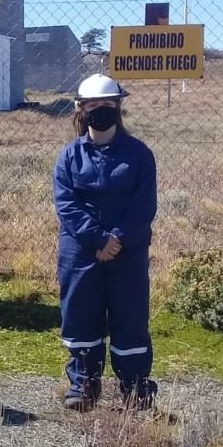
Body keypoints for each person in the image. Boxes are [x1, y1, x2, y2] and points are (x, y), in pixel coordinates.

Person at [53, 73, 159, 412]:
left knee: (130, 317)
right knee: (81, 314)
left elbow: (144, 206)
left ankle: (135, 386)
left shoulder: (140, 155)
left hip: (127, 252)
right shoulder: (69, 156)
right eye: (94, 106)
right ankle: (83, 383)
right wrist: (97, 238)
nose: (101, 111)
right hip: (81, 251)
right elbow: (66, 203)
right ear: (81, 110)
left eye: (108, 105)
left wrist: (117, 239)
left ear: (119, 108)